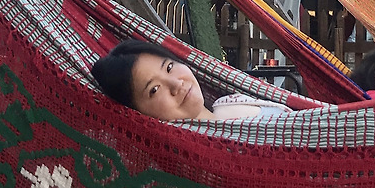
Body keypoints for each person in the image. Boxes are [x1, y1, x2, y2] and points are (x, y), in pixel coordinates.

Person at [91, 40, 290, 122]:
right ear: (137, 112)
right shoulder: (205, 160)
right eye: (154, 89)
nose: (176, 84)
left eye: (169, 67)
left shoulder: (227, 102)